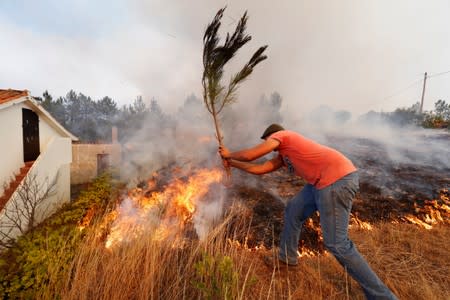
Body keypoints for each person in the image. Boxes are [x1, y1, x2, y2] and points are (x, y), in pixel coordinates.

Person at [219, 124, 397, 300]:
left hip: (336, 180)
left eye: (267, 142)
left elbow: (251, 155)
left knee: (337, 244)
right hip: (319, 183)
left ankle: (383, 297)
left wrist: (229, 154)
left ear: (272, 136)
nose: (271, 149)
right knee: (294, 210)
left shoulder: (283, 135)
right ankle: (287, 260)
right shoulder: (284, 154)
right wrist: (232, 163)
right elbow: (261, 169)